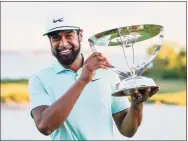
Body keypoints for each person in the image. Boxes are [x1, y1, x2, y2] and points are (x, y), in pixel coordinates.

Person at [28, 14, 158, 140]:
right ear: (50, 41)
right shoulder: (39, 80)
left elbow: (127, 131)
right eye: (56, 38)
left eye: (69, 35)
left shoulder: (106, 72)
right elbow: (45, 126)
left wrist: (136, 105)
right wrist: (83, 79)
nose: (63, 43)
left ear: (80, 35)